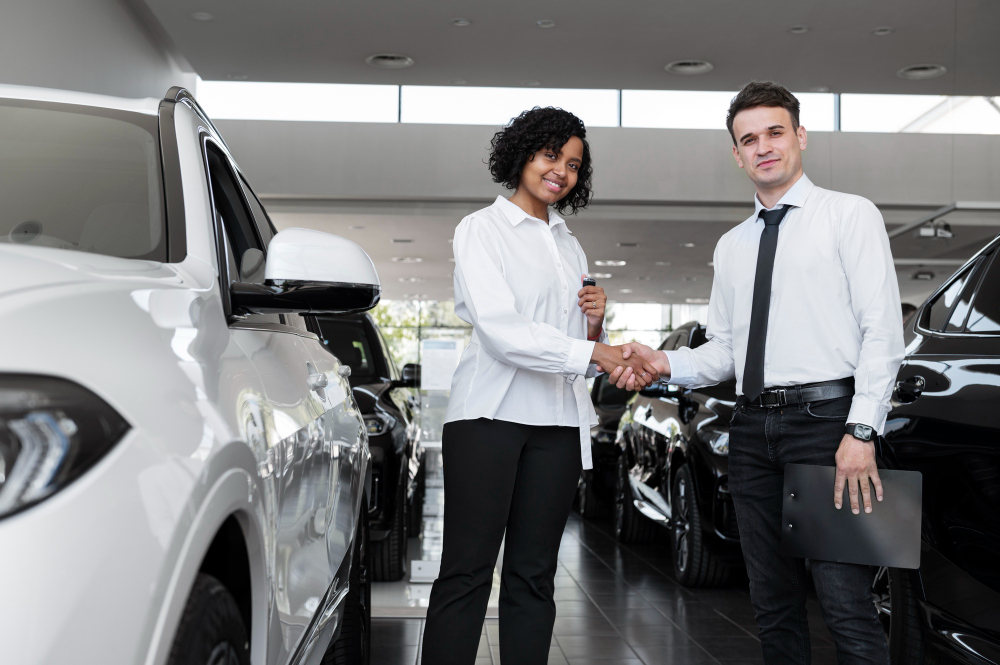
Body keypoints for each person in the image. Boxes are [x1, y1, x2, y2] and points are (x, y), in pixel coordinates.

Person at [606, 82, 904, 664]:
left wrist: (861, 432)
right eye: (749, 139)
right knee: (771, 602)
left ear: (800, 137)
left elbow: (883, 334)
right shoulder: (733, 245)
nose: (763, 147)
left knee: (845, 602)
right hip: (750, 433)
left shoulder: (849, 215)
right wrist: (662, 361)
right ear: (736, 155)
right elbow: (723, 352)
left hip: (827, 427)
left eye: (775, 132)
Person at [421, 107, 659, 665]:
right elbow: (504, 333)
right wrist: (593, 348)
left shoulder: (568, 244)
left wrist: (596, 328)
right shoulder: (481, 229)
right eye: (551, 155)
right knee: (467, 571)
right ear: (523, 155)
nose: (561, 172)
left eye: (573, 164)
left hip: (555, 423)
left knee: (534, 577)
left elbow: (568, 343)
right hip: (489, 419)